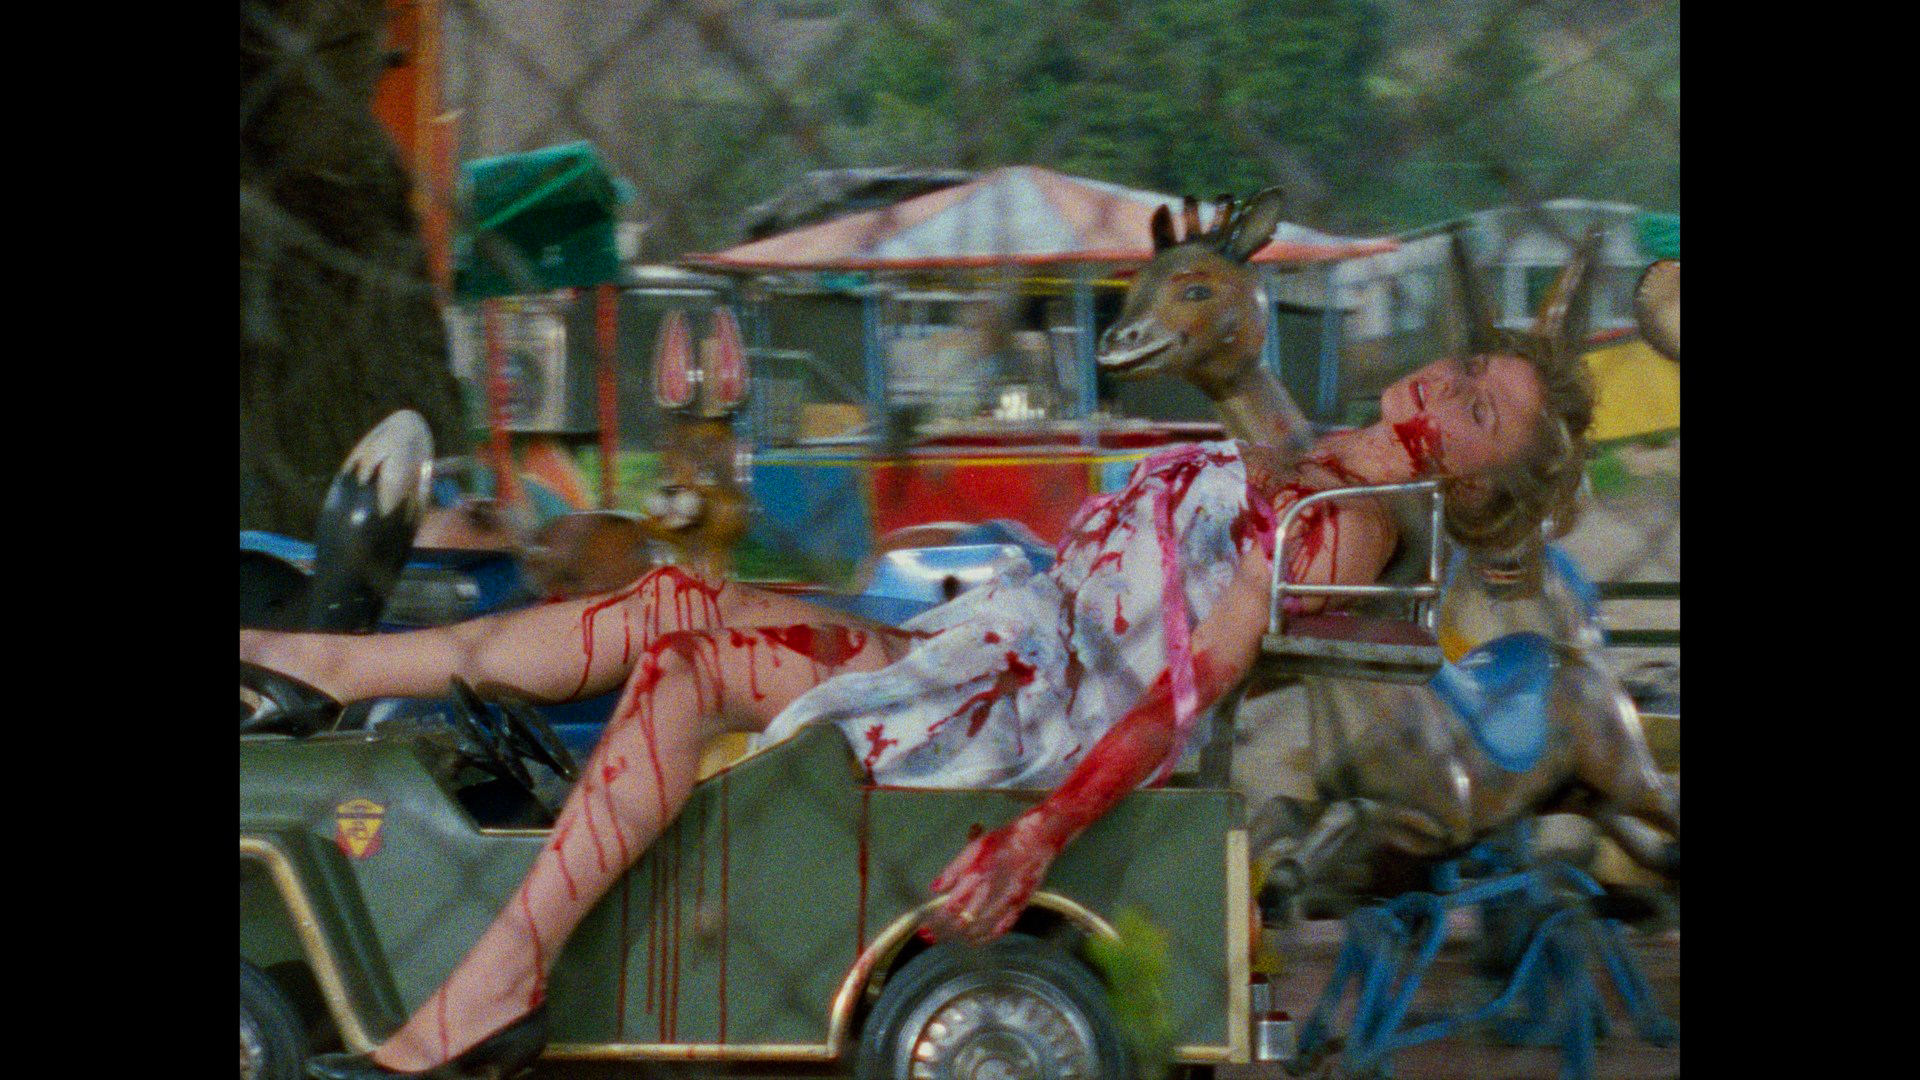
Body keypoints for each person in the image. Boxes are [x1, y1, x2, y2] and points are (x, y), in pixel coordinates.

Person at [254, 327, 1591, 1080]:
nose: (1450, 389)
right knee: (671, 603)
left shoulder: (1342, 521)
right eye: (1470, 367)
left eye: (1482, 413)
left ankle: (496, 974)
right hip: (1001, 641)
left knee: (681, 660)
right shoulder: (1320, 460)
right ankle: (342, 672)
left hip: (1034, 709)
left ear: (1477, 486)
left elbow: (1188, 692)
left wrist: (1040, 830)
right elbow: (1249, 418)